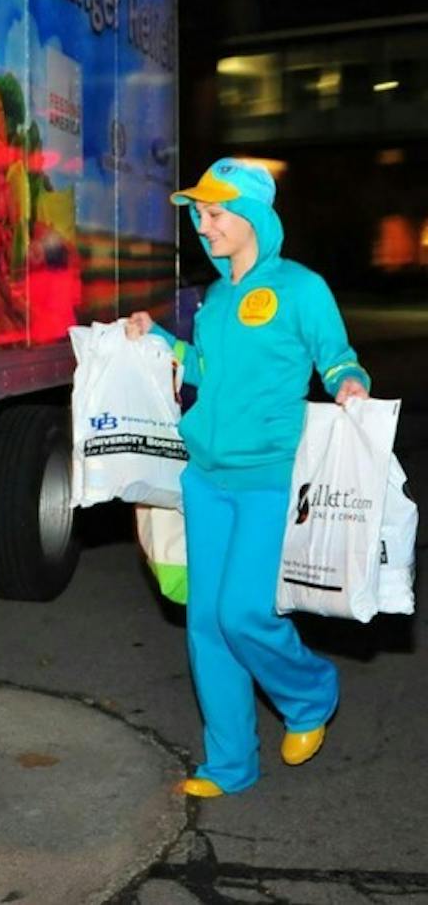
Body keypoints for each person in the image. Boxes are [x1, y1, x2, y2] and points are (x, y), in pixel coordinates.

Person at [126, 158, 370, 797]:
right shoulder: (213, 299)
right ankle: (230, 764)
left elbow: (338, 358)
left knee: (241, 612)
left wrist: (349, 384)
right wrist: (160, 341)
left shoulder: (301, 288)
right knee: (206, 623)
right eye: (198, 215)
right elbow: (204, 369)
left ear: (254, 215)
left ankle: (311, 692)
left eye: (214, 212)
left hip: (268, 479)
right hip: (205, 478)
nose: (203, 227)